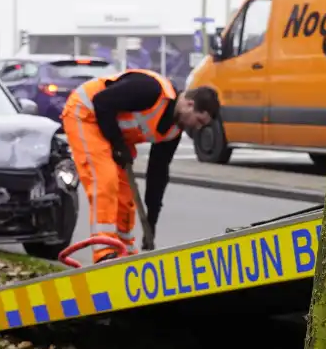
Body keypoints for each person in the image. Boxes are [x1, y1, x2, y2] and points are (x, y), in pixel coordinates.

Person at [61, 68, 220, 263]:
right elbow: (102, 102)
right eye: (199, 120)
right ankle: (104, 252)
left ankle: (124, 252)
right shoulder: (150, 90)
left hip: (111, 129)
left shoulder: (172, 131)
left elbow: (158, 173)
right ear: (189, 104)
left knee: (126, 195)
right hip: (86, 113)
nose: (197, 127)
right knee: (105, 180)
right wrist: (118, 145)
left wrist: (152, 220)